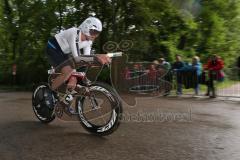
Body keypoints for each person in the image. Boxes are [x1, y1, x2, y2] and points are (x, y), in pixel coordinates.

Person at [46, 17, 111, 114]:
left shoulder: (89, 42)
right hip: (53, 47)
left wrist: (95, 63)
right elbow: (78, 58)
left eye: (97, 33)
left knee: (74, 78)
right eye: (94, 32)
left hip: (64, 52)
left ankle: (64, 102)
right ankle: (49, 94)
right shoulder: (74, 33)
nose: (95, 35)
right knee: (68, 71)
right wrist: (97, 57)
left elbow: (86, 59)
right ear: (86, 27)